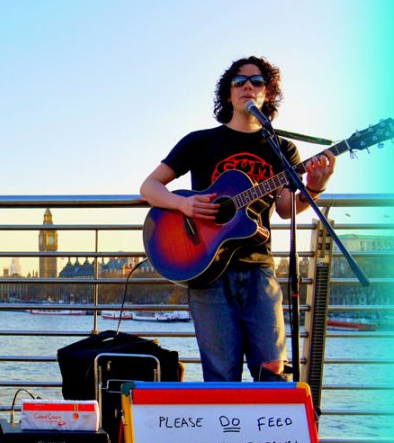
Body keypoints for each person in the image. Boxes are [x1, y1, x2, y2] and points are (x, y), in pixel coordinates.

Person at [139, 56, 335, 382]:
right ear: (228, 94)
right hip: (206, 271)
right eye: (239, 81)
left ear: (267, 95)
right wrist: (182, 205)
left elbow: (286, 208)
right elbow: (149, 186)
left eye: (257, 82)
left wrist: (316, 187)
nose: (247, 86)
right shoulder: (199, 142)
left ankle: (271, 433)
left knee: (274, 371)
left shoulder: (282, 148)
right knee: (220, 375)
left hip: (259, 269)